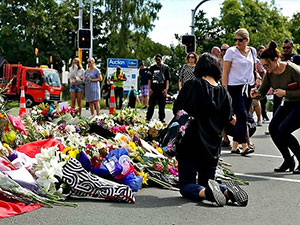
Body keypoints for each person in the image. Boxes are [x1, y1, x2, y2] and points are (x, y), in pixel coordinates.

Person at [173, 53, 248, 207]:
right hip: (212, 146)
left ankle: (208, 194)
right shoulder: (224, 92)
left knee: (186, 185)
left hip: (190, 144)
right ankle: (226, 191)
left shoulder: (191, 86)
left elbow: (177, 110)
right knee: (207, 181)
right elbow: (228, 119)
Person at [250, 40, 300, 174]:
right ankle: (288, 160)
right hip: (289, 102)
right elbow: (262, 91)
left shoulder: (293, 70)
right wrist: (256, 94)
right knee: (273, 128)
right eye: (263, 65)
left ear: (276, 59)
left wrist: (286, 93)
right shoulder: (269, 74)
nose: (265, 68)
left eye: (267, 65)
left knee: (283, 130)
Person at [222, 28, 260, 155]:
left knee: (242, 116)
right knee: (242, 115)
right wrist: (225, 89)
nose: (237, 42)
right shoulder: (231, 52)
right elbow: (225, 72)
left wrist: (257, 79)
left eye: (240, 40)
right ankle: (245, 145)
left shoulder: (253, 51)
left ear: (247, 40)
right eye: (235, 40)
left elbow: (254, 69)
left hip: (248, 86)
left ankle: (235, 145)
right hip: (234, 86)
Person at [146, 54, 170, 123]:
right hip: (154, 89)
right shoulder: (152, 68)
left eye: (159, 60)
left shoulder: (165, 68)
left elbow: (167, 80)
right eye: (156, 60)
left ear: (161, 60)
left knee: (162, 106)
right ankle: (148, 118)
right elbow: (149, 79)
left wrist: (166, 89)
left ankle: (161, 119)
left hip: (162, 89)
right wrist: (149, 89)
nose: (158, 61)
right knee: (151, 105)